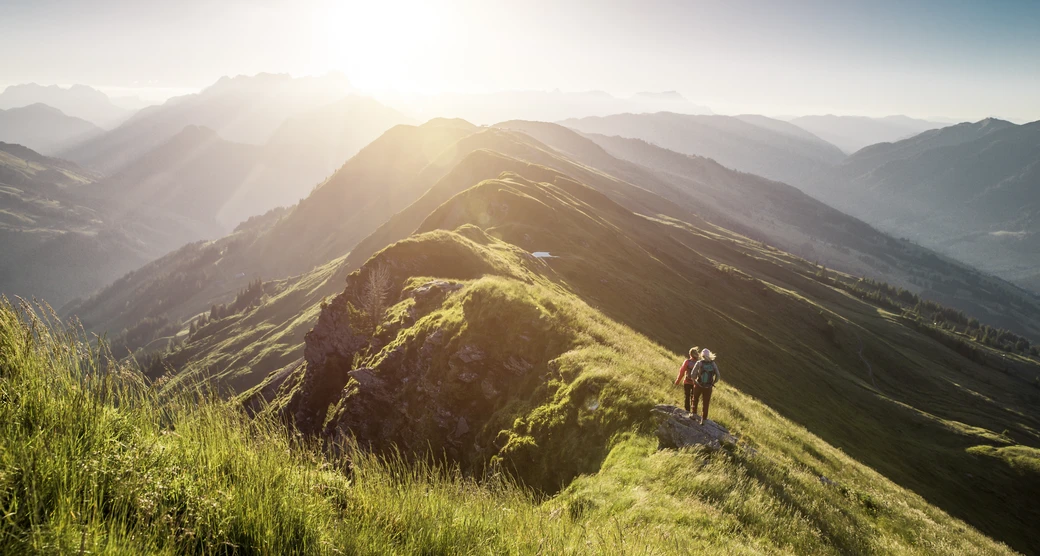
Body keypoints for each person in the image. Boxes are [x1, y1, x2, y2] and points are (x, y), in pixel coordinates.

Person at [689, 349, 721, 424]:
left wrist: (695, 382)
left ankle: (693, 415)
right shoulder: (713, 364)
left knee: (695, 399)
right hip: (708, 387)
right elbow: (718, 375)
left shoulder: (699, 363)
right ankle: (703, 420)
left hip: (699, 385)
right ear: (709, 355)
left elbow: (693, 374)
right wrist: (713, 382)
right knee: (706, 403)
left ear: (702, 355)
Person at [673, 347, 701, 414]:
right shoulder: (699, 363)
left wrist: (677, 381)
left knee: (687, 396)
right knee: (694, 398)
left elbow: (681, 372)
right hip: (695, 383)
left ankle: (687, 411)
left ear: (690, 354)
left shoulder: (687, 362)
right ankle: (694, 411)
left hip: (687, 382)